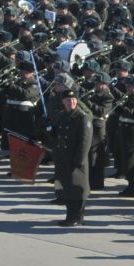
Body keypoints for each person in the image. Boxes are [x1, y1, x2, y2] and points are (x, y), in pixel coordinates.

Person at [46, 79, 94, 227]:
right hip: (63, 158)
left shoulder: (82, 118)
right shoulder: (62, 116)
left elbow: (85, 141)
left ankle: (77, 217)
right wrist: (47, 129)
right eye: (68, 100)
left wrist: (78, 160)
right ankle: (71, 216)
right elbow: (57, 136)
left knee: (78, 190)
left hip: (75, 159)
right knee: (67, 188)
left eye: (73, 100)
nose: (71, 103)